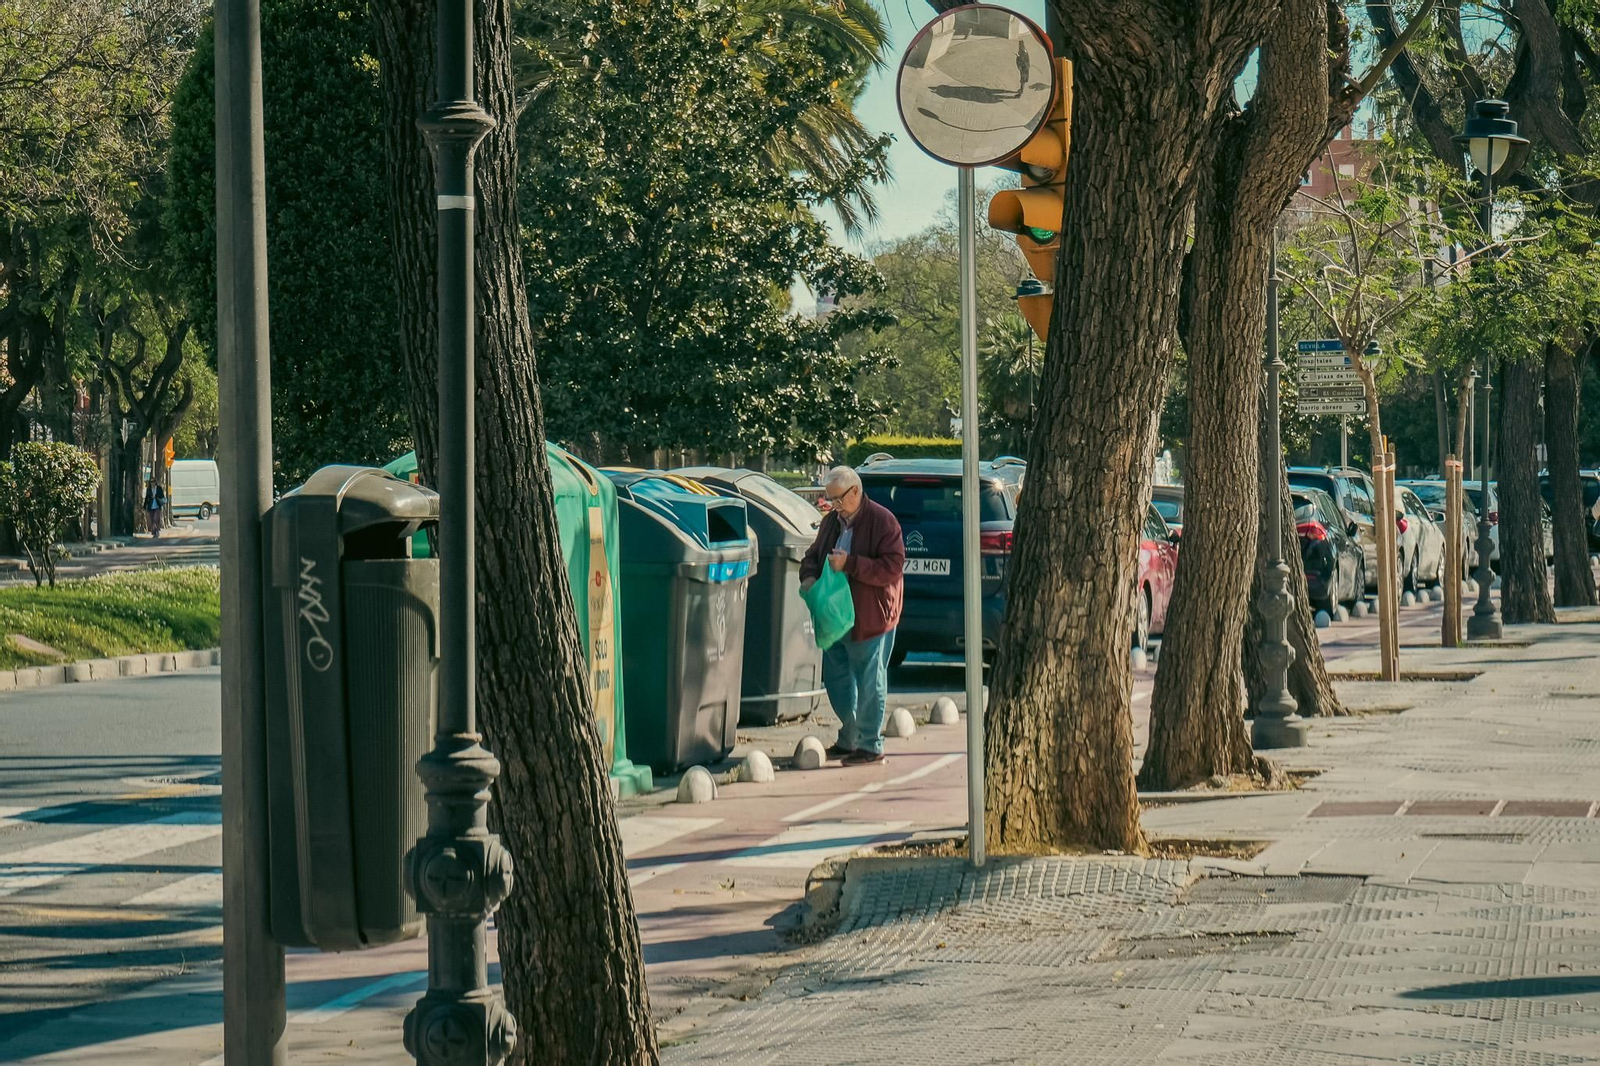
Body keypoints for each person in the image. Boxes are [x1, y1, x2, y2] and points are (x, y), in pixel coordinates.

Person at [800, 466, 905, 765]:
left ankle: (871, 745)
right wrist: (808, 576)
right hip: (835, 617)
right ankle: (850, 736)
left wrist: (851, 564)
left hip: (871, 616)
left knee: (870, 680)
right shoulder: (831, 522)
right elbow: (812, 556)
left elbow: (892, 567)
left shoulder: (883, 521)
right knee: (837, 678)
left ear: (856, 491)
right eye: (830, 500)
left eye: (838, 499)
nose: (834, 506)